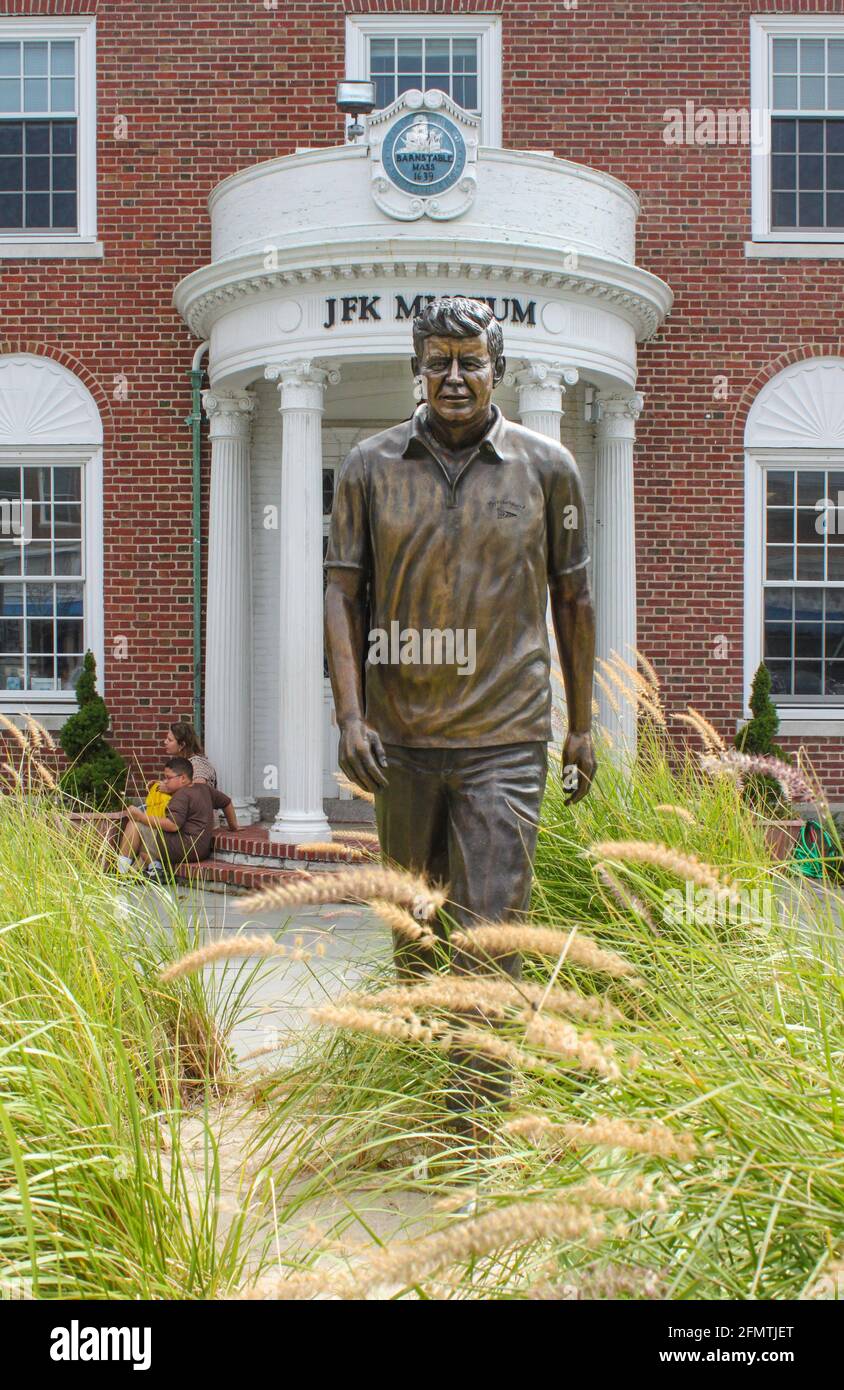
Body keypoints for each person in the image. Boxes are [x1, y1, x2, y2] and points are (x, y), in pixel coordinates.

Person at [324, 295, 596, 1134]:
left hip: (505, 741)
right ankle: (419, 1100)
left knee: (490, 934)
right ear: (416, 368)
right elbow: (342, 594)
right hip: (402, 741)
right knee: (415, 934)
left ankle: (474, 1130)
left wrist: (581, 725)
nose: (452, 376)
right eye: (436, 360)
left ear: (497, 368)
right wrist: (349, 714)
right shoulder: (367, 467)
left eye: (468, 360)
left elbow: (574, 599)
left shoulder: (548, 468)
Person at [116, 756, 238, 876]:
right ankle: (156, 870)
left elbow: (173, 825)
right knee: (147, 836)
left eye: (168, 778)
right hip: (202, 850)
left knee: (135, 825)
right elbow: (227, 802)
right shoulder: (204, 789)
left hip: (184, 849)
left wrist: (140, 817)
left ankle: (120, 872)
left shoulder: (181, 795)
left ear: (183, 778)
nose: (165, 781)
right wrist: (233, 826)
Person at [163, 721, 217, 787]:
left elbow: (198, 788)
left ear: (182, 745)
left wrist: (168, 788)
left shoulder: (198, 764)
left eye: (170, 740)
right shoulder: (181, 762)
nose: (165, 742)